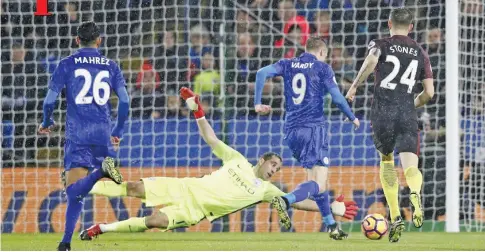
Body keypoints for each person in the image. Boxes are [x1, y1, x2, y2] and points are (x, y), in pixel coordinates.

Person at [79, 87, 358, 239]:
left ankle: (101, 229)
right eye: (273, 165)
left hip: (194, 210)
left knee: (154, 221)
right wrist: (198, 112)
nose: (275, 170)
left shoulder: (265, 190)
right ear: (261, 160)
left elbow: (297, 202)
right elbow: (211, 139)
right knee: (134, 187)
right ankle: (82, 187)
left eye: (278, 169)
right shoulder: (236, 160)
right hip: (185, 187)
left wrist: (332, 206)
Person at [253, 36, 359, 240]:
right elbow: (337, 98)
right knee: (318, 184)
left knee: (316, 183)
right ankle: (286, 200)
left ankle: (331, 225)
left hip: (291, 131)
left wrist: (258, 103)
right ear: (322, 53)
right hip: (313, 129)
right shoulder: (322, 68)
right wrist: (352, 117)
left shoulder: (288, 63)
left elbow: (261, 73)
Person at [38, 21, 130, 251]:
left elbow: (49, 101)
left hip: (78, 134)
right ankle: (65, 244)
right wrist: (117, 131)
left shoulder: (67, 64)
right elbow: (125, 101)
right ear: (99, 40)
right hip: (102, 133)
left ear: (76, 40)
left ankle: (67, 241)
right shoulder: (111, 65)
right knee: (78, 190)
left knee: (73, 193)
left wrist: (47, 122)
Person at [345, 7, 434, 243]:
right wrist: (411, 106)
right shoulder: (420, 51)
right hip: (406, 112)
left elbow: (372, 60)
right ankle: (414, 193)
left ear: (389, 23)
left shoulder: (381, 44)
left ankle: (395, 216)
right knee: (411, 167)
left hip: (383, 112)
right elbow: (429, 93)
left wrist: (354, 86)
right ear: (411, 27)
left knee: (387, 163)